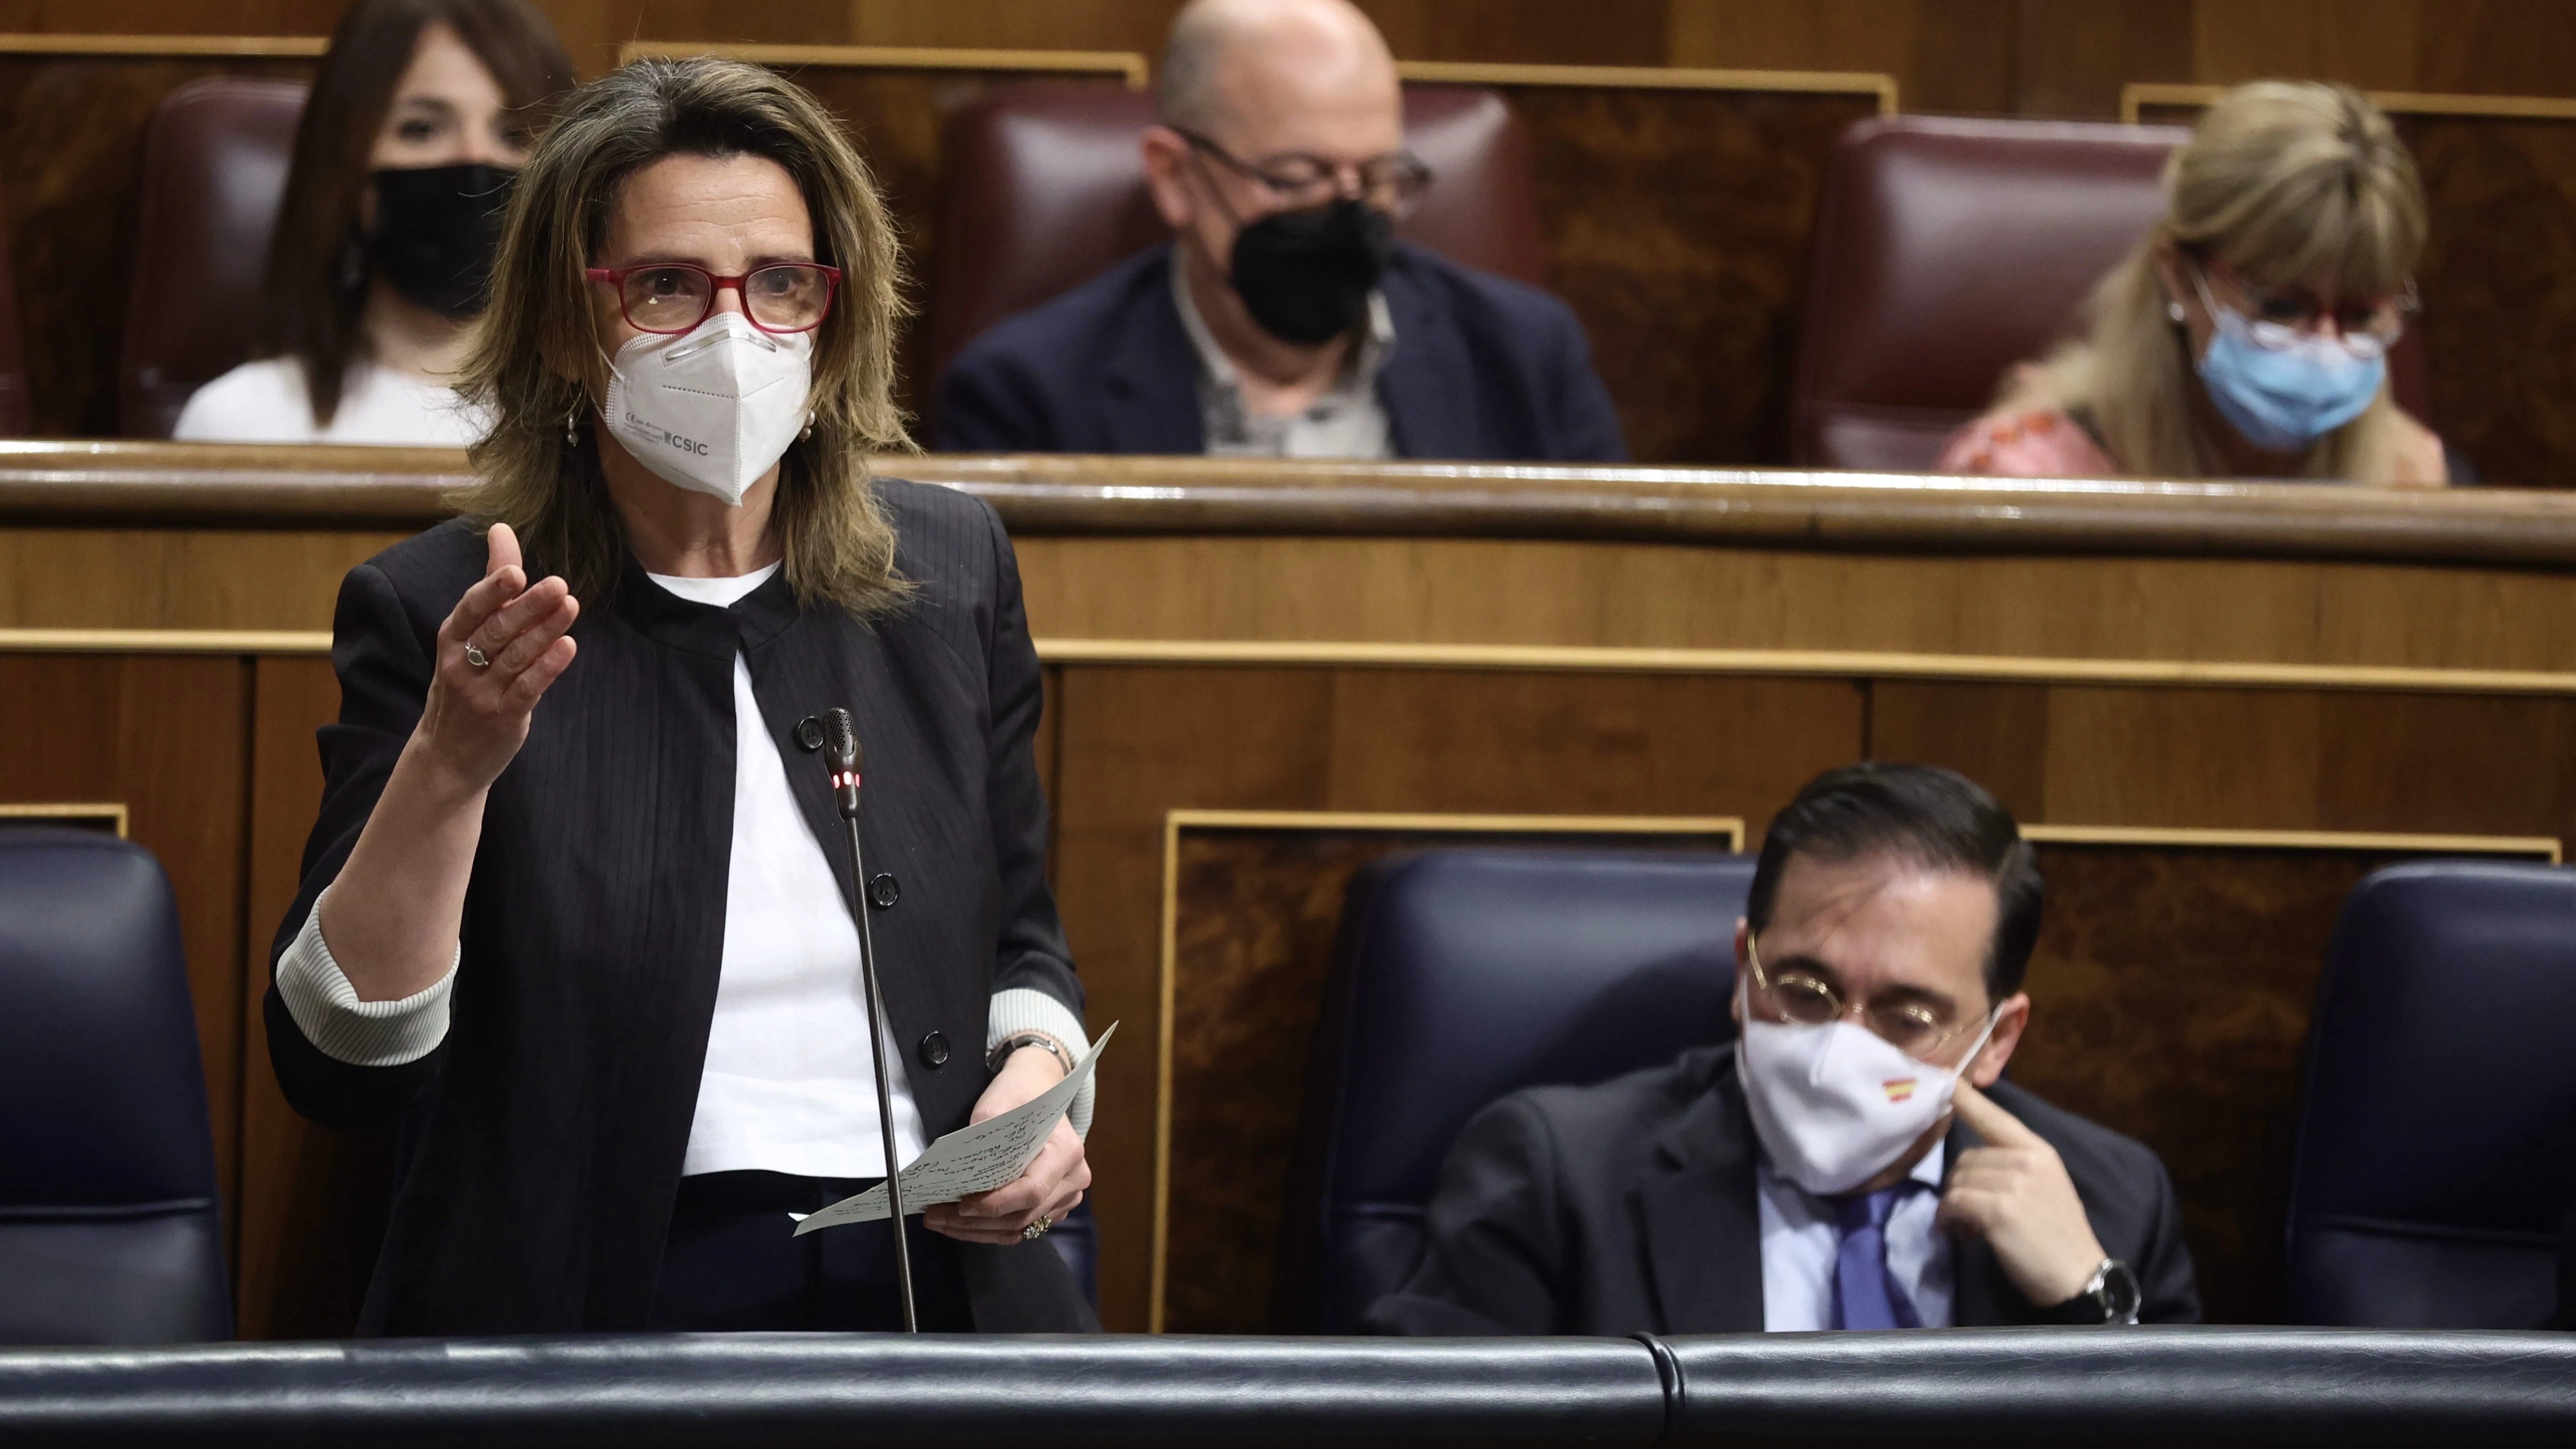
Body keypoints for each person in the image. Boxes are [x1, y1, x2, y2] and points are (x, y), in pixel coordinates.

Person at [262, 56, 1096, 1334]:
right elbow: (340, 1061)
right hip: (596, 1302)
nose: (732, 331)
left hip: (939, 1281)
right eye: (664, 285)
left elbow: (1022, 941)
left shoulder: (949, 572)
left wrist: (1038, 1091)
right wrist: (452, 760)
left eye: (778, 283)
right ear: (563, 324)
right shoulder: (444, 608)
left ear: (834, 312)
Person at [1368, 763, 2200, 1334]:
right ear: (1742, 969)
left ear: (1995, 1041)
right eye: (1804, 990)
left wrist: (2089, 1305)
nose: (1840, 1043)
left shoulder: (2111, 1202)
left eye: (1908, 1014)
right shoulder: (1560, 1175)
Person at [933, 0, 1625, 461]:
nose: (1347, 211)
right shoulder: (1024, 399)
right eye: (1298, 176)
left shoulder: (1527, 360)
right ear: (1176, 177)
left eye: (1379, 175)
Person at [1938, 82, 2452, 487]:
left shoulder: (2406, 474)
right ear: (2180, 276)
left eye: (2360, 316)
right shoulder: (2017, 475)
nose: (2322, 349)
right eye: (2278, 307)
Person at [173, 0, 572, 445]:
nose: (473, 159)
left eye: (514, 135)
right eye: (421, 130)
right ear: (343, 169)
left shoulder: (595, 422)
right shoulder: (239, 421)